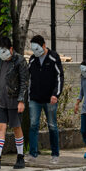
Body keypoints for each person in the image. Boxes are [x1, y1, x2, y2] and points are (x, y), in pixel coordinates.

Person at [0, 37, 28, 170]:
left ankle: (20, 157)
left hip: (14, 100)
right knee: (0, 127)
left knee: (16, 127)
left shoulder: (20, 61)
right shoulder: (1, 61)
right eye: (0, 52)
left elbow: (24, 82)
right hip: (1, 99)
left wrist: (21, 100)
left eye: (4, 51)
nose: (2, 54)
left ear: (11, 49)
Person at [27, 35, 64, 164]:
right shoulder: (32, 59)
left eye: (37, 48)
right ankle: (32, 153)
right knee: (33, 125)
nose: (35, 52)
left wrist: (56, 94)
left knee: (52, 126)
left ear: (43, 45)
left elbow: (59, 77)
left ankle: (55, 154)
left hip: (50, 99)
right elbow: (28, 78)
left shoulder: (53, 57)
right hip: (35, 98)